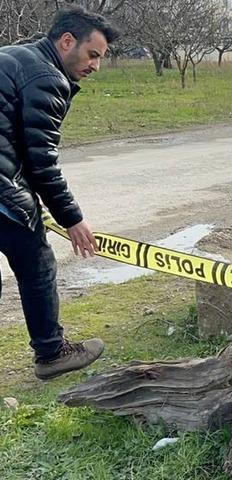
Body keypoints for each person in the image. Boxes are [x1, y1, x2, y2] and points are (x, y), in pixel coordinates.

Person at [0, 6, 120, 380]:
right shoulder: (47, 77)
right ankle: (52, 353)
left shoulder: (13, 56)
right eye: (92, 54)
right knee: (37, 264)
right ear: (67, 41)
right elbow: (42, 163)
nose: (95, 66)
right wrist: (72, 219)